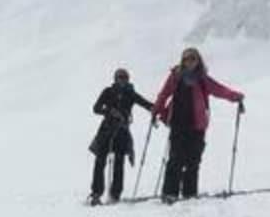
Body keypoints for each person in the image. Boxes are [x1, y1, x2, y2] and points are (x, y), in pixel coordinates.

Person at [152, 46, 243, 202]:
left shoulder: (202, 79)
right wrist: (156, 110)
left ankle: (189, 193)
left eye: (193, 58)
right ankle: (169, 193)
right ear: (182, 61)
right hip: (178, 123)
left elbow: (219, 90)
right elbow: (164, 93)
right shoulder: (175, 77)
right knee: (176, 159)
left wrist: (235, 96)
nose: (190, 61)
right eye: (187, 59)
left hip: (197, 125)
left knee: (193, 160)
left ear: (198, 60)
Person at [87, 67, 152, 205]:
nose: (122, 80)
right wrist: (109, 111)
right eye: (120, 77)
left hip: (121, 131)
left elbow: (145, 104)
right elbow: (96, 108)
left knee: (119, 162)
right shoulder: (108, 91)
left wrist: (155, 109)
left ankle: (115, 194)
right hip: (107, 129)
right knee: (100, 160)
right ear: (115, 79)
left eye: (125, 78)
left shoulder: (131, 93)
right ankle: (96, 193)